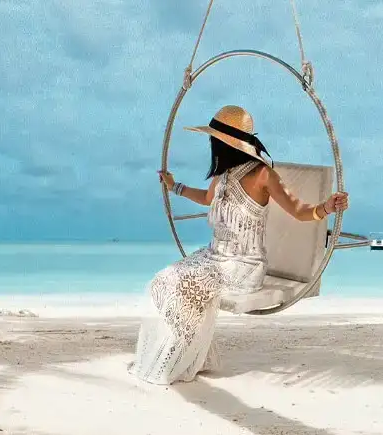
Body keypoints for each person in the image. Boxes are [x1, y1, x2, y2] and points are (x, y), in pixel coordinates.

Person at [128, 105, 349, 385]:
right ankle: (193, 351)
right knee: (161, 283)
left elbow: (297, 210)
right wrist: (175, 187)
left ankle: (182, 354)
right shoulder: (224, 175)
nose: (211, 145)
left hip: (244, 265)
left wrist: (326, 207)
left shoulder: (263, 175)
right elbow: (208, 199)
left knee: (182, 286)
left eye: (213, 140)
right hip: (214, 256)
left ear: (224, 142)